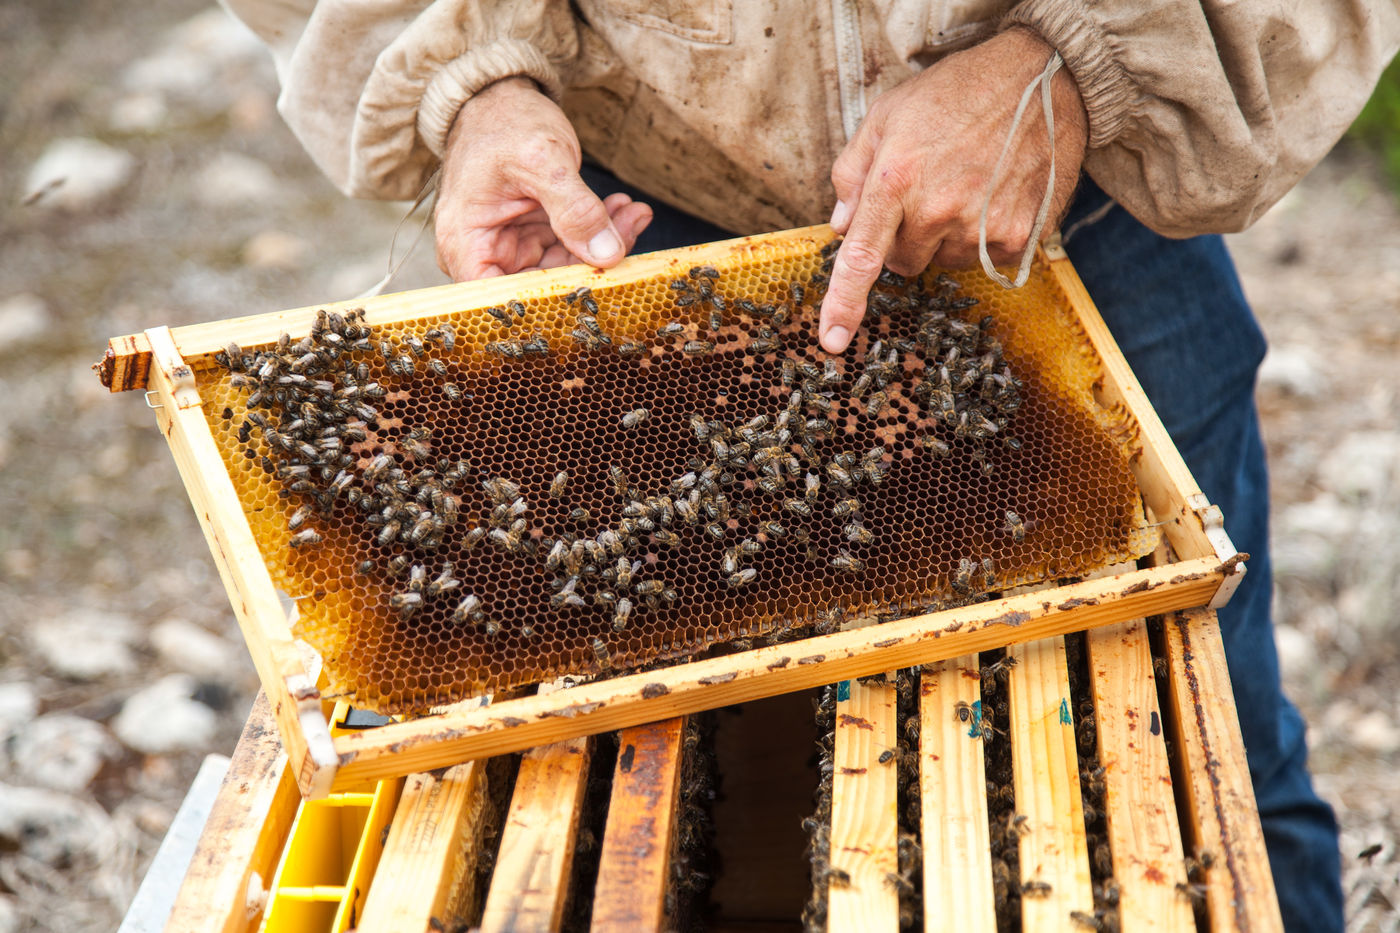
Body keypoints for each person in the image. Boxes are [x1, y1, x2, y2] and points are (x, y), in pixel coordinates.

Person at [223, 2, 1400, 928]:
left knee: (1204, 777)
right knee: (603, 788)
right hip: (640, 243)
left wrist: (1066, 56)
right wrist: (470, 81)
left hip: (1053, 214)